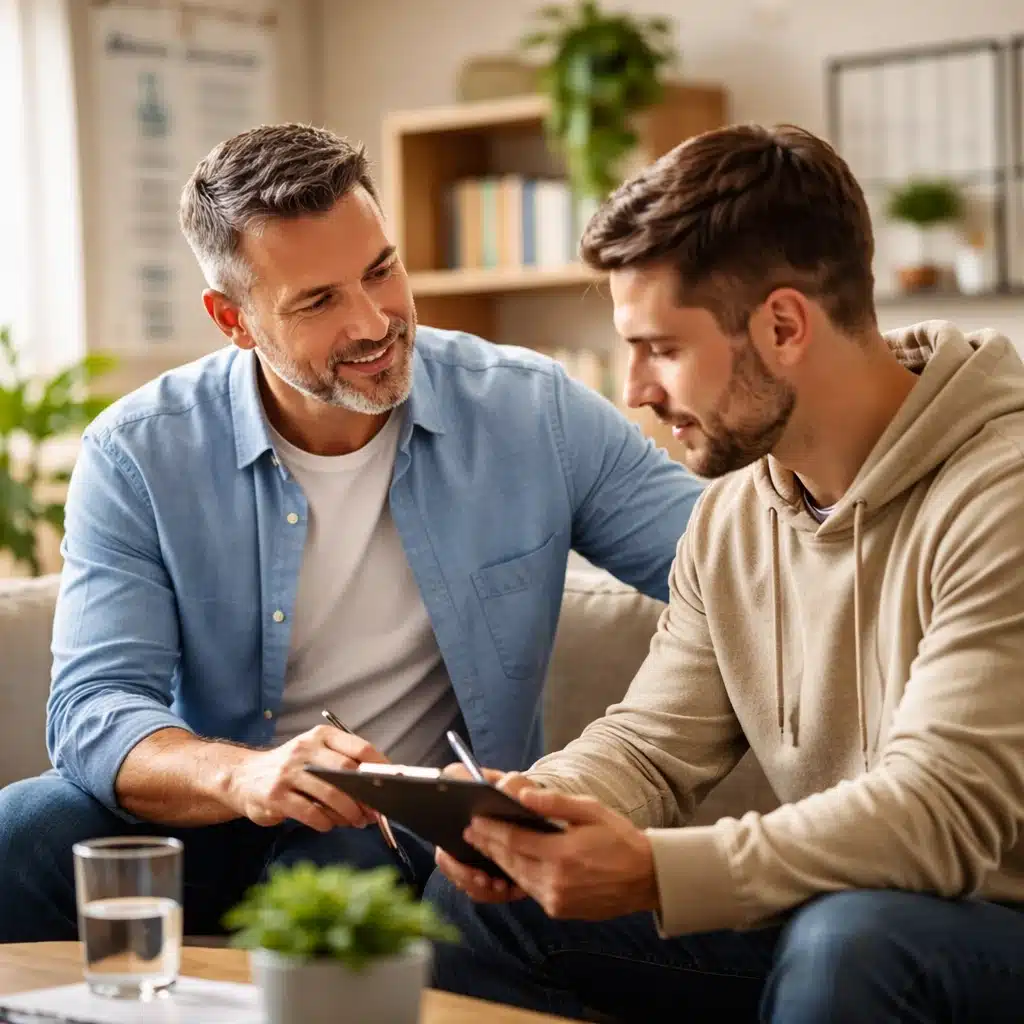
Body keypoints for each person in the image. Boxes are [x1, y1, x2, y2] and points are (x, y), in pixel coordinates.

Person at [0, 123, 704, 943]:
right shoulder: (139, 451)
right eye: (319, 301)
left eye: (381, 271)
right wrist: (246, 776)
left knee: (336, 876)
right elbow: (94, 707)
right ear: (233, 319)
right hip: (211, 808)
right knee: (23, 830)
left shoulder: (531, 411)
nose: (374, 322)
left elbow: (728, 563)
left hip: (394, 834)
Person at [427, 123, 1024, 1023]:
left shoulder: (1001, 492)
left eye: (662, 349)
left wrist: (657, 871)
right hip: (841, 914)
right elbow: (653, 745)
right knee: (482, 906)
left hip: (980, 925)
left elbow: (941, 811)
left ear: (783, 326)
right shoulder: (736, 514)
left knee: (853, 941)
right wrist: (534, 811)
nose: (634, 390)